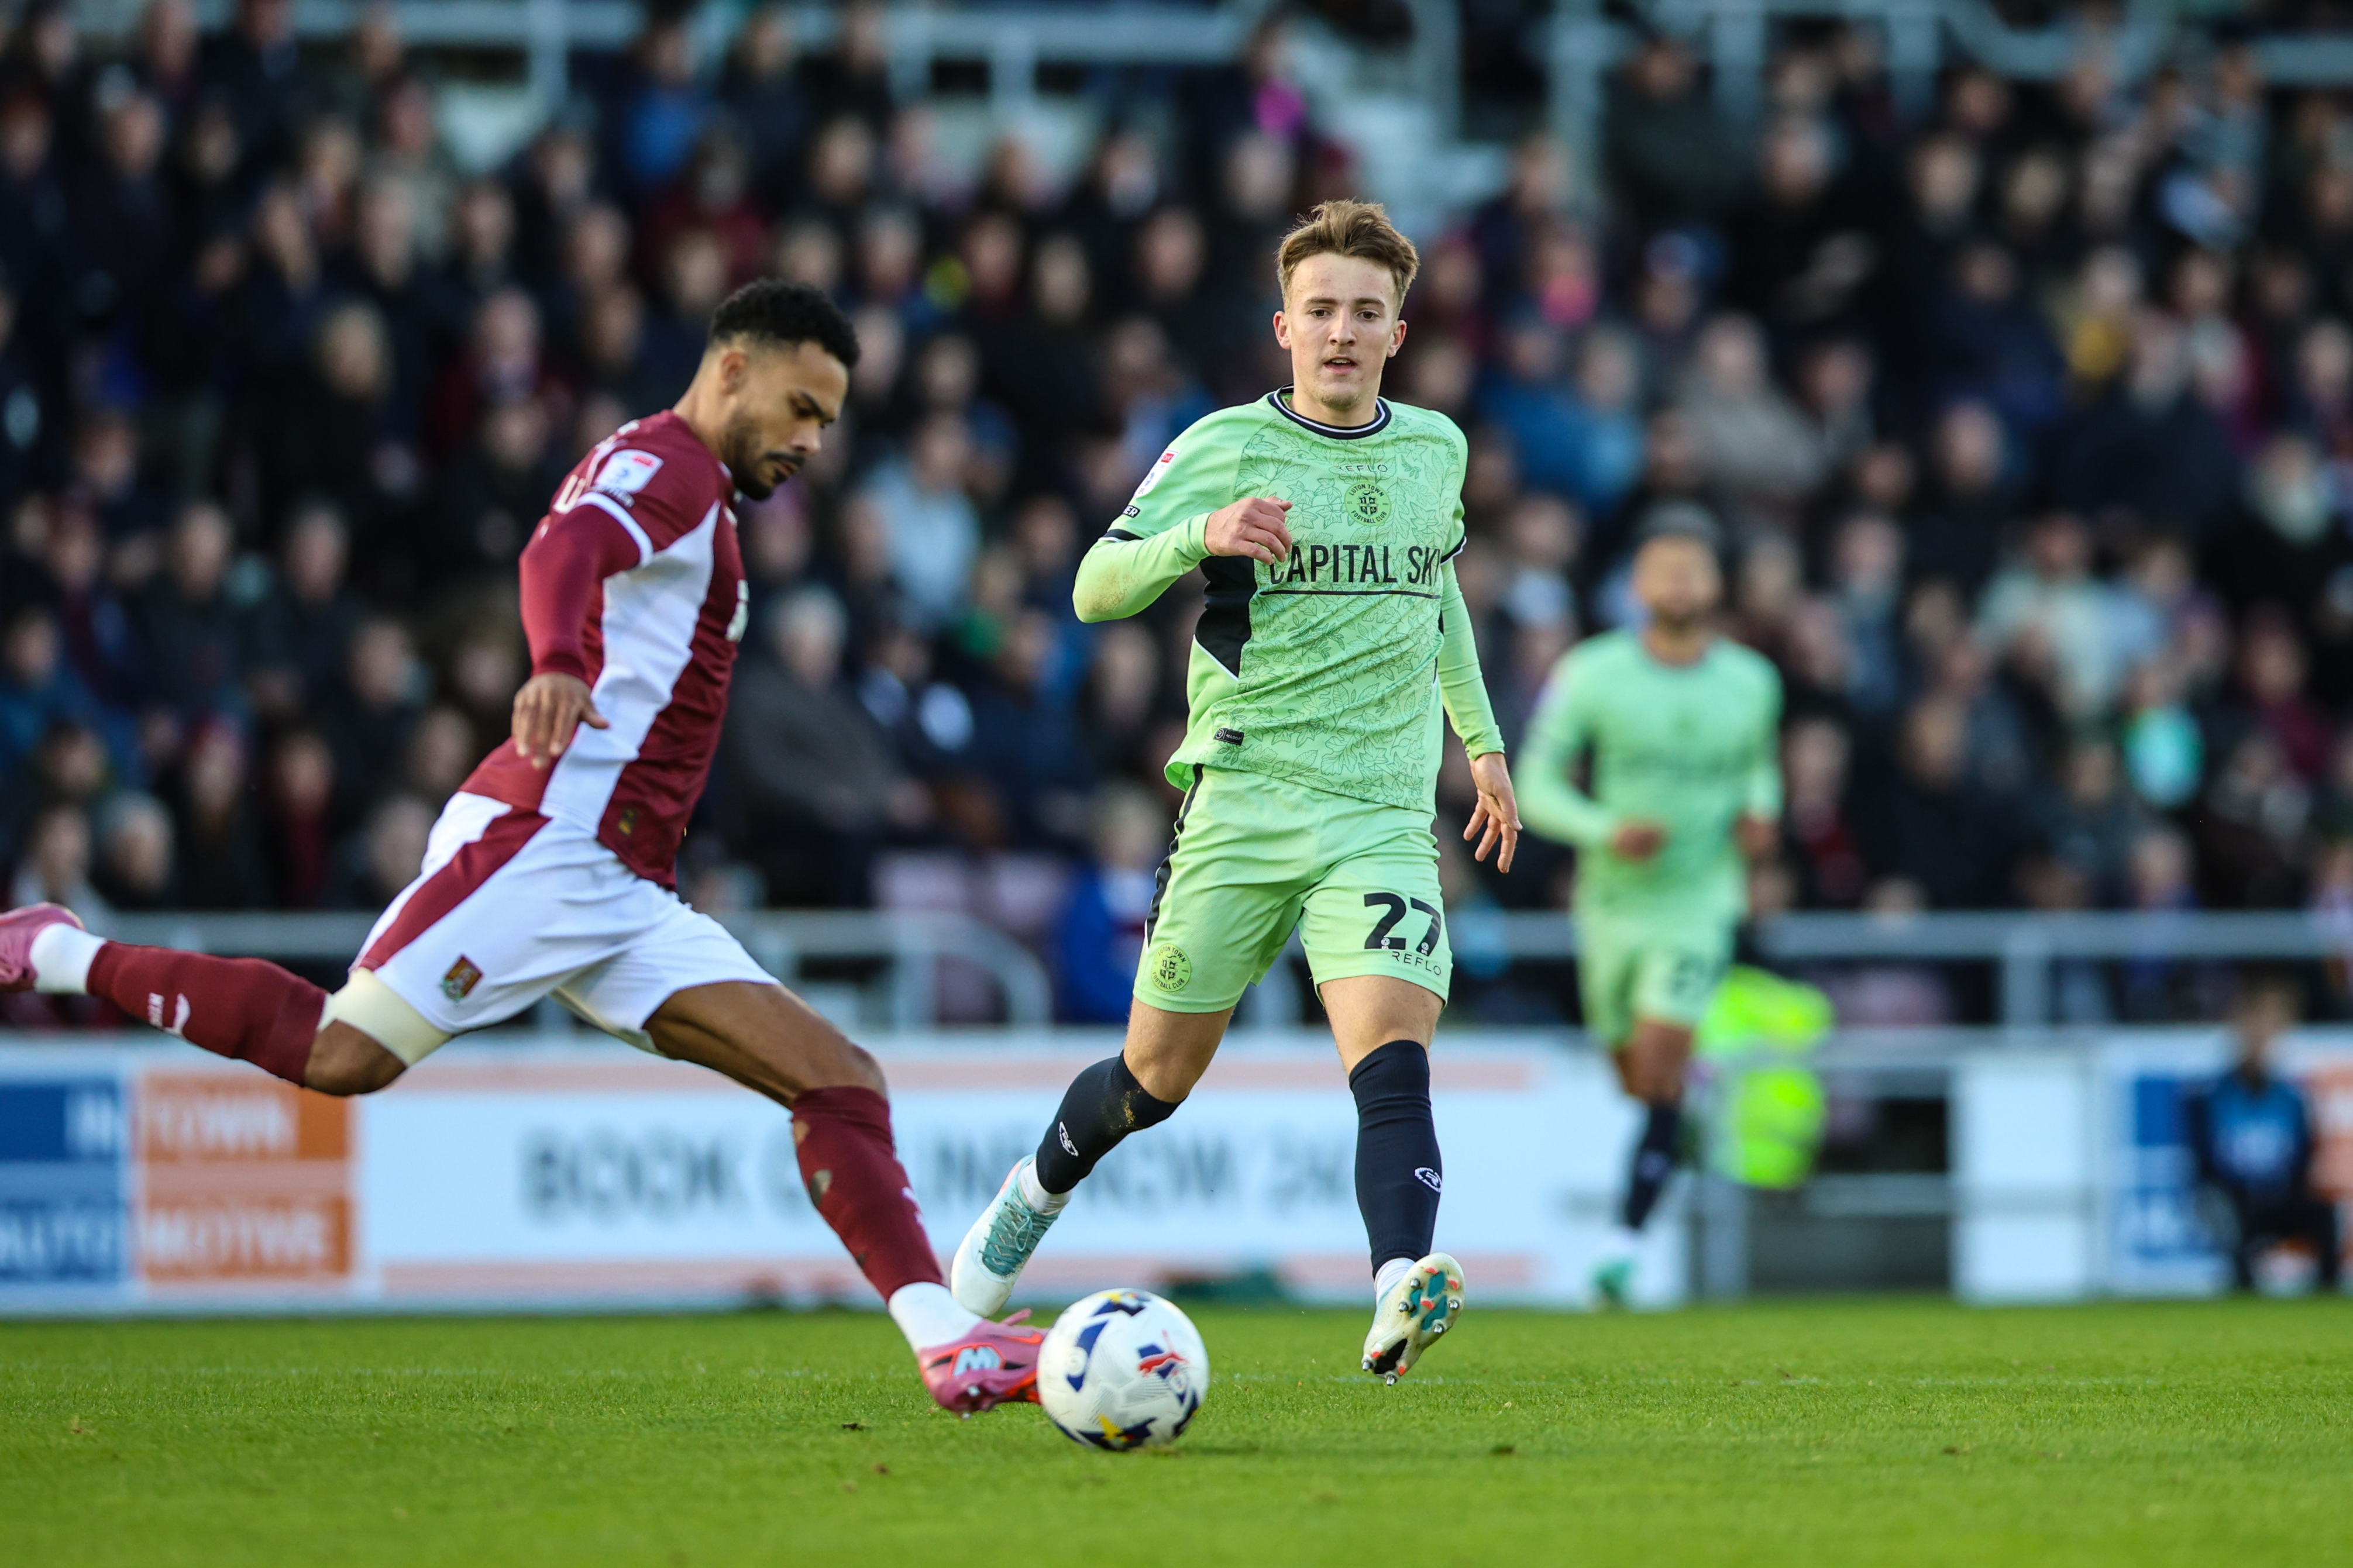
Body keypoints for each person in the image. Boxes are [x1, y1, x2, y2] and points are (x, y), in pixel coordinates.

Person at [0, 280, 1043, 1416]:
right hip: (542, 847)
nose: (810, 440)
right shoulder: (675, 469)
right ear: (733, 368)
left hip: (623, 886)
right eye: (801, 406)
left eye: (828, 423)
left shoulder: (686, 486)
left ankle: (948, 1343)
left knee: (841, 1079)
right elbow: (564, 549)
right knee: (344, 1051)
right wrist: (552, 660)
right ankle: (56, 950)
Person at [947, 200, 1522, 1384]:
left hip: (1376, 815)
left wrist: (1483, 740)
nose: (1342, 331)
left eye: (1367, 312)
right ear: (1284, 326)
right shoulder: (1222, 443)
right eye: (1321, 310)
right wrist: (1199, 532)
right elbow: (1092, 587)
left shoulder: (1435, 450)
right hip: (1243, 800)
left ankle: (1394, 1282)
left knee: (1392, 1051)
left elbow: (1439, 592)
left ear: (1397, 334)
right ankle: (1035, 1189)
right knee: (1153, 1078)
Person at [1516, 515, 1784, 1305]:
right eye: (1661, 569)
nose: (1677, 584)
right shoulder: (1591, 673)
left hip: (1700, 901)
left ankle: (1622, 1242)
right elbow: (1536, 782)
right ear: (1636, 587)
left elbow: (1757, 768)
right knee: (1639, 1083)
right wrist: (1605, 829)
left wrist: (1761, 811)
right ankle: (1678, 1128)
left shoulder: (1750, 682)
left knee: (1662, 1062)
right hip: (1611, 905)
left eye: (1692, 569)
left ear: (1715, 586)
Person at [2185, 976, 2342, 1294]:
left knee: (2323, 1214)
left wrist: (2283, 1192)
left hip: (2279, 1195)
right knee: (2231, 1216)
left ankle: (2327, 1295)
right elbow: (2203, 1162)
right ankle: (2244, 1292)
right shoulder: (2211, 1096)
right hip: (2235, 1197)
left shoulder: (2291, 1097)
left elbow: (2303, 1157)